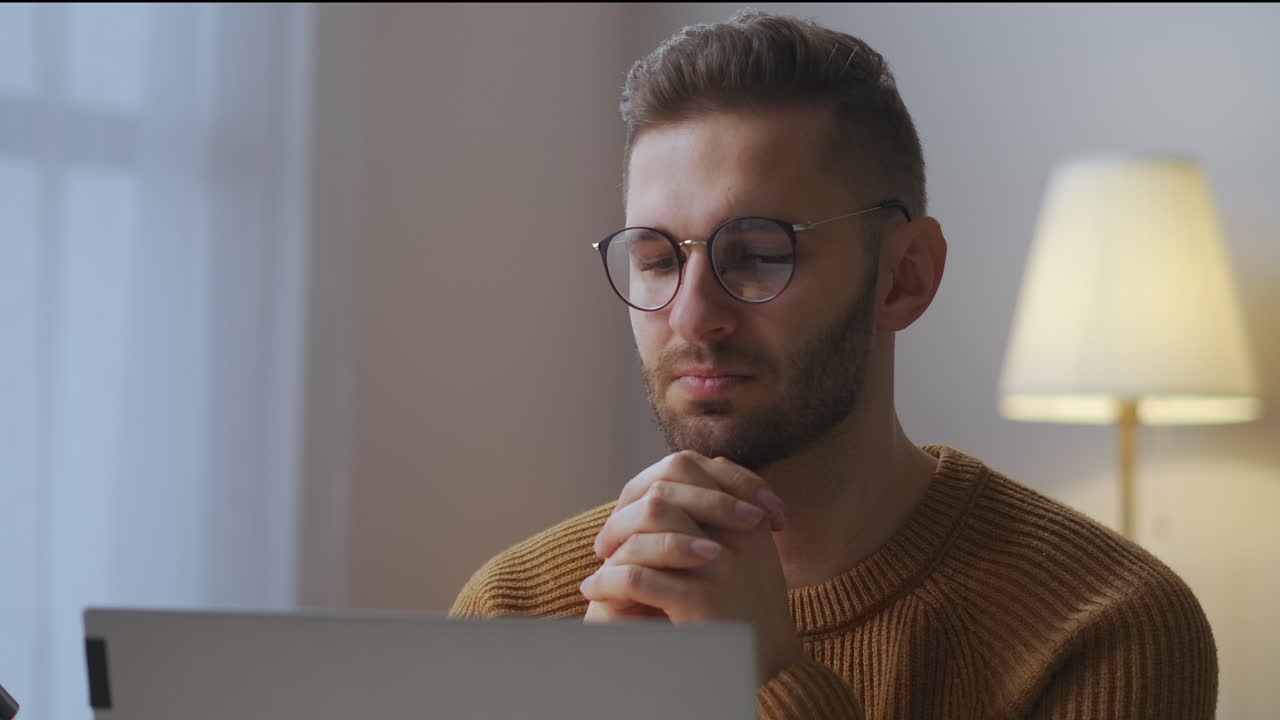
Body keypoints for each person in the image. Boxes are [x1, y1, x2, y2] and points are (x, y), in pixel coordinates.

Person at [450, 9, 1217, 719]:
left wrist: (767, 677)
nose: (690, 315)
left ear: (904, 276)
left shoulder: (1104, 625)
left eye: (756, 256)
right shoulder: (518, 607)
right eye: (656, 259)